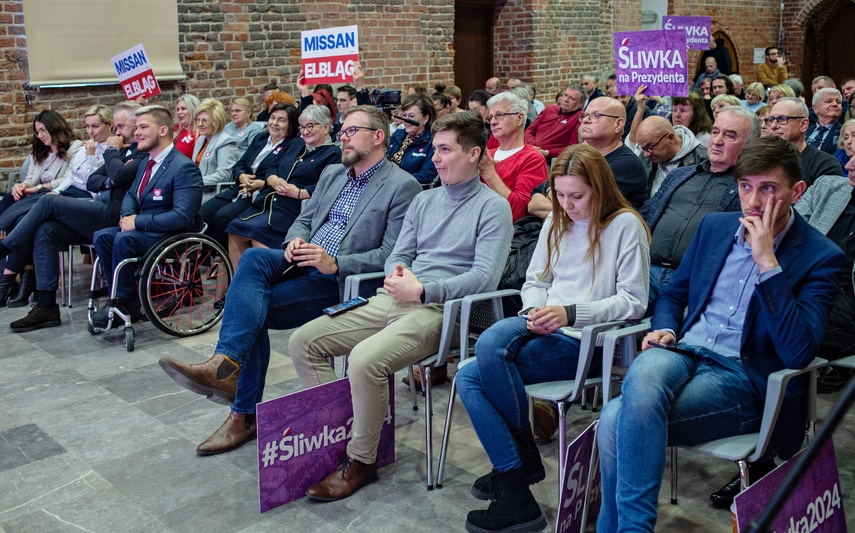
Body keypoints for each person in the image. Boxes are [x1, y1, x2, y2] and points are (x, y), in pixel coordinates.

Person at [597, 135, 846, 532]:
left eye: (768, 189)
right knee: (643, 373)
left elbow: (798, 351)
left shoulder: (822, 257)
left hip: (742, 377)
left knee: (613, 417)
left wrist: (768, 264)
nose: (753, 201)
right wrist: (663, 327)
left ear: (796, 192)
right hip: (682, 351)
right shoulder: (716, 226)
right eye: (745, 186)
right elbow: (674, 294)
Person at [157, 105, 422, 456]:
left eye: (351, 131)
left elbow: (393, 254)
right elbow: (304, 220)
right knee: (252, 258)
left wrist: (336, 263)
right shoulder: (332, 173)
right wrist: (294, 240)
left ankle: (241, 408)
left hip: (338, 280)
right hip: (298, 260)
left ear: (377, 137)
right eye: (341, 131)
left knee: (252, 313)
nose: (342, 137)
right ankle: (227, 365)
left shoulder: (402, 185)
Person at [288, 110, 513, 502]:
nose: (436, 158)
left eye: (445, 150)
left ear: (475, 153)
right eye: (436, 150)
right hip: (392, 297)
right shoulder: (425, 200)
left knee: (363, 360)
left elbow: (484, 278)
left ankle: (361, 459)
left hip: (441, 311)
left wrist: (424, 290)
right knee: (303, 341)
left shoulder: (493, 208)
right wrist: (399, 277)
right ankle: (350, 434)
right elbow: (400, 254)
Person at [456, 144, 649, 533]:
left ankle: (516, 471)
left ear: (600, 188)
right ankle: (518, 471)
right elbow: (536, 281)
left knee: (473, 371)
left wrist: (571, 313)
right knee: (484, 356)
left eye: (577, 196)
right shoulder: (556, 220)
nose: (567, 204)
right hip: (546, 326)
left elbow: (634, 302)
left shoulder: (625, 225)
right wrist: (533, 311)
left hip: (588, 341)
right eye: (559, 195)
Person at [3, 102, 146, 331]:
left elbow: (114, 176)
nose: (119, 131)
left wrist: (110, 162)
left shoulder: (138, 151)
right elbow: (93, 180)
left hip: (116, 213)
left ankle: (7, 247)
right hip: (99, 206)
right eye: (118, 126)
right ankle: (47, 307)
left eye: (122, 126)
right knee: (46, 230)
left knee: (48, 201)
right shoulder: (119, 150)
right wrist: (110, 175)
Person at [91, 105, 204, 327]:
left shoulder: (184, 167)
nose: (137, 133)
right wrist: (128, 216)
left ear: (162, 130)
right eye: (137, 127)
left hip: (169, 233)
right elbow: (132, 194)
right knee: (102, 236)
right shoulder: (146, 163)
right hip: (145, 229)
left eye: (143, 127)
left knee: (124, 239)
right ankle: (126, 298)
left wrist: (138, 222)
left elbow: (182, 217)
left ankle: (123, 302)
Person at [640, 107, 760, 314]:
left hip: (692, 281)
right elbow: (643, 215)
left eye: (729, 135)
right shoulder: (680, 175)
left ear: (751, 145)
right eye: (715, 132)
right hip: (645, 271)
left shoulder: (748, 189)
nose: (717, 140)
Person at [226, 105, 341, 269]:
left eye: (310, 126)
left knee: (259, 236)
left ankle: (267, 281)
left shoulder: (333, 154)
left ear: (326, 127)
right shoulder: (296, 145)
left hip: (294, 209)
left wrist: (300, 193)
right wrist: (273, 179)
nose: (305, 131)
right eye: (302, 127)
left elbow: (330, 186)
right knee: (235, 229)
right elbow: (272, 165)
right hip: (269, 202)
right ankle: (240, 280)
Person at [0, 110, 82, 307]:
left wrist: (36, 188)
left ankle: (8, 282)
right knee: (11, 203)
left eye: (44, 130)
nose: (41, 136)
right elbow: (29, 179)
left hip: (56, 199)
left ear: (55, 127)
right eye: (37, 132)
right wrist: (21, 186)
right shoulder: (40, 151)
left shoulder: (75, 148)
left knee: (21, 220)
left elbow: (68, 180)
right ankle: (26, 280)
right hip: (35, 197)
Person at [794, 153, 855, 392]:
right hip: (809, 283)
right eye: (851, 156)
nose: (848, 165)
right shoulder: (826, 186)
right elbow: (789, 230)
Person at [200, 103, 300, 248]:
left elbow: (283, 172)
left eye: (282, 120)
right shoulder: (261, 138)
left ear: (291, 124)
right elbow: (240, 163)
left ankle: (229, 258)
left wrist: (261, 183)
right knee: (203, 214)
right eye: (272, 118)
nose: (275, 123)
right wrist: (241, 176)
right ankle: (216, 256)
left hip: (260, 194)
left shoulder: (293, 144)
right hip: (239, 188)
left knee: (223, 217)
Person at [479, 91, 548, 221]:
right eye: (491, 117)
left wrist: (490, 174)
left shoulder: (532, 159)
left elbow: (522, 212)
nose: (493, 122)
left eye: (499, 115)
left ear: (520, 118)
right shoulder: (488, 154)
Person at [579, 96, 648, 208]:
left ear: (618, 125)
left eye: (596, 116)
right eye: (585, 115)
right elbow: (540, 190)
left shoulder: (627, 165)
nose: (586, 120)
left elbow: (583, 207)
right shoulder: (580, 155)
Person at [764, 97, 842, 186]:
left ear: (803, 124)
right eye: (770, 120)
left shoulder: (825, 165)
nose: (773, 126)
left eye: (782, 119)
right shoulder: (759, 158)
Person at [635, 116, 706, 197]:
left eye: (650, 147)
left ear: (670, 138)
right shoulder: (647, 154)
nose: (645, 154)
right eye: (642, 148)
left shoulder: (703, 160)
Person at [192, 98, 240, 202]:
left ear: (216, 121)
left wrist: (196, 181)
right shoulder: (201, 139)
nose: (200, 124)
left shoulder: (226, 141)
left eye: (204, 120)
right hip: (196, 189)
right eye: (198, 120)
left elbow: (224, 176)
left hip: (213, 193)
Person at [524, 84, 585, 162]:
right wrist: (532, 145)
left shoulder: (580, 118)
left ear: (581, 104)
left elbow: (572, 149)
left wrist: (548, 153)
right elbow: (529, 130)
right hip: (531, 152)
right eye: (565, 95)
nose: (566, 99)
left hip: (553, 161)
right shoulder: (550, 109)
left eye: (571, 98)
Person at [386, 94, 438, 184]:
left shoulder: (432, 142)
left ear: (425, 119)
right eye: (404, 115)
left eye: (411, 116)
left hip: (412, 190)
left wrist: (395, 180)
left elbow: (426, 176)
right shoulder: (398, 135)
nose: (406, 121)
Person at [806, 88, 843, 154]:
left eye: (838, 102)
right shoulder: (805, 131)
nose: (835, 104)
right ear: (815, 108)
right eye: (829, 101)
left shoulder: (843, 133)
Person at [81, 104, 114, 173]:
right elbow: (72, 176)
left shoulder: (113, 148)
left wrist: (91, 156)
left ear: (110, 125)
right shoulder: (88, 144)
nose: (90, 131)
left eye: (95, 126)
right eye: (87, 126)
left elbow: (95, 180)